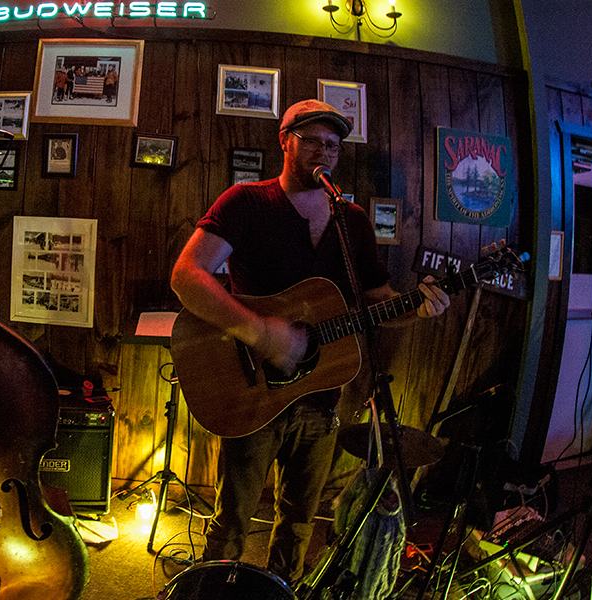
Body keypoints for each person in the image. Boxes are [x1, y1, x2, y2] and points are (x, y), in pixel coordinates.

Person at [170, 99, 450, 585]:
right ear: (285, 141)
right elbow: (187, 276)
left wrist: (417, 309)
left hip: (323, 396)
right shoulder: (246, 202)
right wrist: (261, 333)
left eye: (334, 143)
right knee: (232, 519)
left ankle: (284, 590)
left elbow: (377, 305)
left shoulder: (352, 221)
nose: (326, 150)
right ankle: (212, 591)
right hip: (253, 392)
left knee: (300, 521)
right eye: (314, 140)